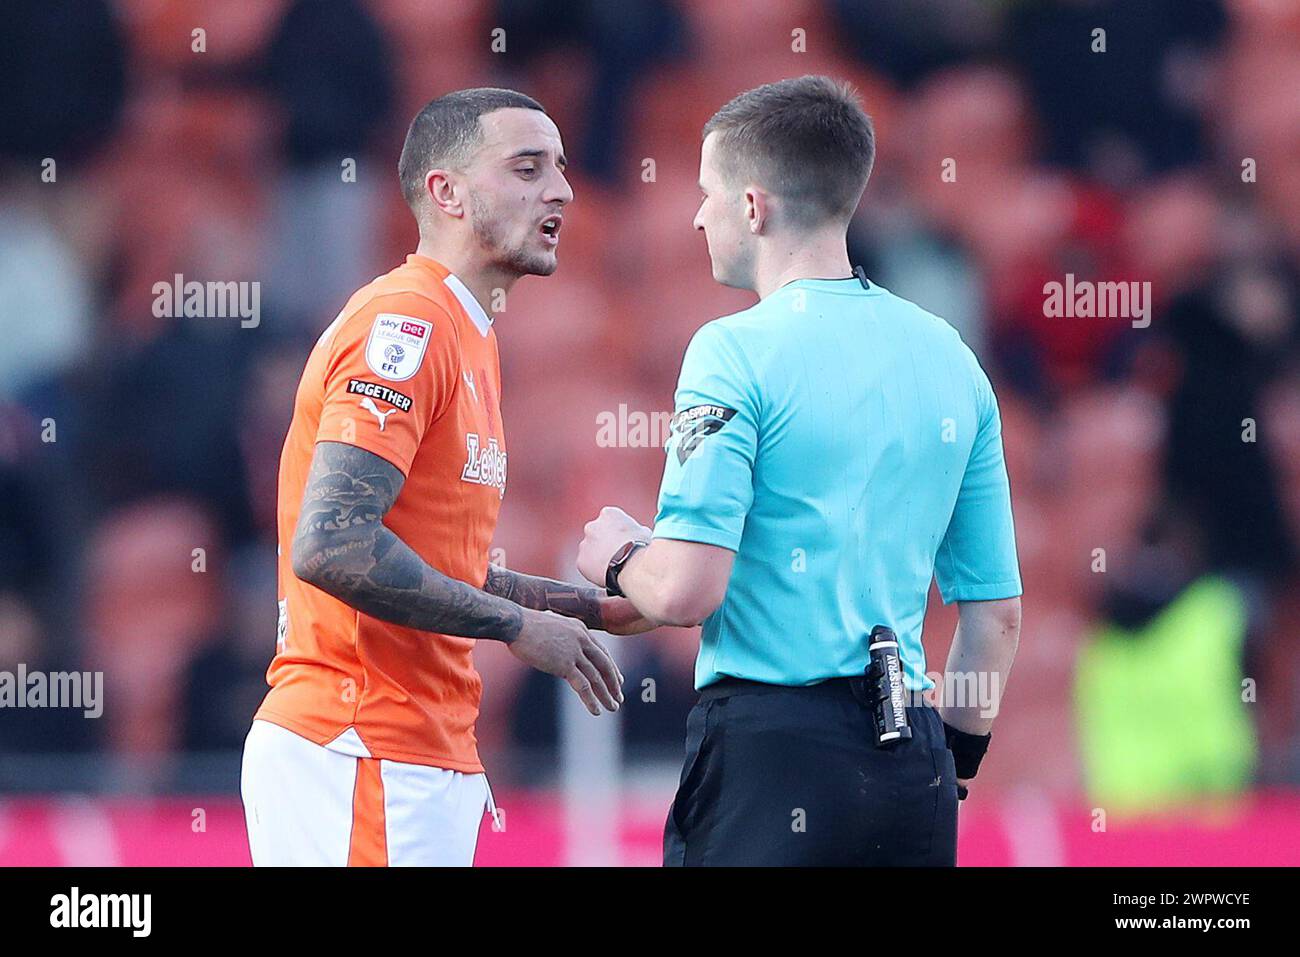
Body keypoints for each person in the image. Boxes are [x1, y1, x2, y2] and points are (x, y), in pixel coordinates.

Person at [577, 76, 1023, 866]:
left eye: (708, 192)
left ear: (754, 207)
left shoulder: (733, 350)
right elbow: (996, 616)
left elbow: (684, 590)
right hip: (911, 763)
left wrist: (616, 555)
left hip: (770, 759)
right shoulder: (952, 359)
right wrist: (951, 764)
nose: (697, 214)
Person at [242, 88, 645, 867]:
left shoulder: (469, 334)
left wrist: (591, 608)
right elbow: (333, 545)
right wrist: (520, 628)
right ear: (446, 191)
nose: (559, 188)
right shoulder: (408, 323)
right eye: (527, 167)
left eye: (560, 168)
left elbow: (443, 568)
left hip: (407, 755)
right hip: (359, 747)